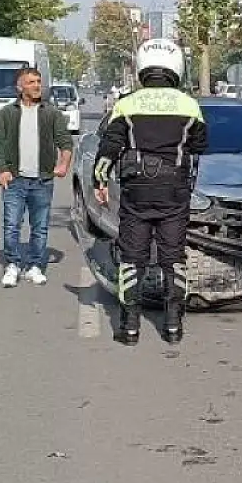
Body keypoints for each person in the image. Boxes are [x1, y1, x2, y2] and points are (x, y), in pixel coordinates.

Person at [93, 40, 209, 345]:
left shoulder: (126, 104)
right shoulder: (189, 105)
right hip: (174, 191)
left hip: (136, 192)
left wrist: (100, 184)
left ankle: (129, 328)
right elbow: (200, 145)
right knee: (173, 258)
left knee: (132, 259)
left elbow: (108, 150)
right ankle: (173, 327)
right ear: (177, 69)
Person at [0, 67, 74, 288]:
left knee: (40, 227)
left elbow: (65, 142)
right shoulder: (8, 113)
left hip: (42, 180)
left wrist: (63, 164)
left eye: (38, 81)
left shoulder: (51, 113)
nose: (37, 86)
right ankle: (13, 265)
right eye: (31, 82)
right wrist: (2, 169)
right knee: (11, 225)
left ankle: (35, 266)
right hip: (15, 180)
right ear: (20, 87)